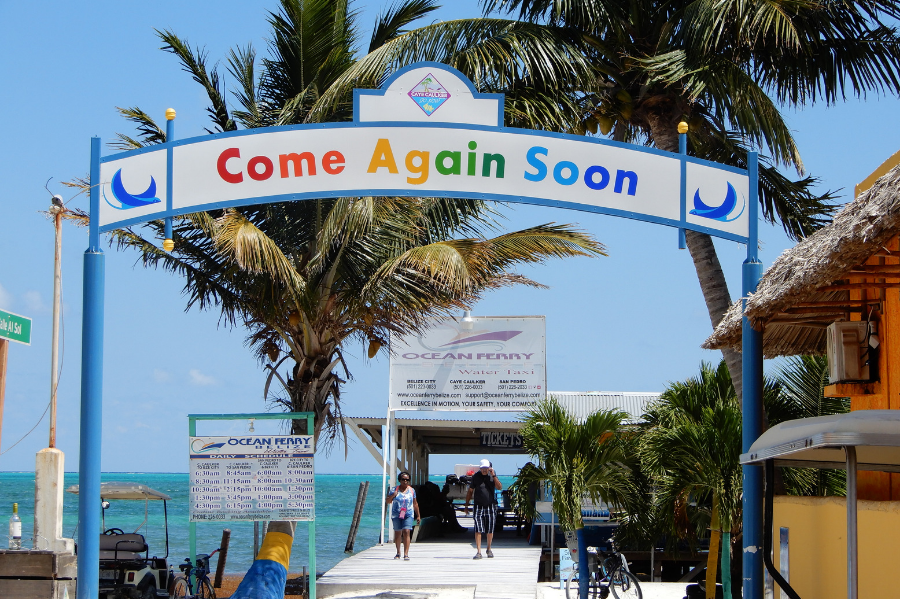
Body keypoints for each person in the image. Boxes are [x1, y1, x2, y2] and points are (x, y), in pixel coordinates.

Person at [464, 459, 502, 559]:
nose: (484, 470)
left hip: (490, 505)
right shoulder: (476, 477)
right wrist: (467, 505)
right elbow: (470, 491)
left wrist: (493, 475)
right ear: (480, 468)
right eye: (482, 469)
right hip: (478, 505)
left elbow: (499, 487)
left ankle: (489, 549)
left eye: (486, 468)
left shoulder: (492, 476)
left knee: (490, 529)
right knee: (478, 529)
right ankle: (478, 551)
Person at [385, 471, 420, 560]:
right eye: (403, 479)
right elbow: (388, 501)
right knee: (398, 533)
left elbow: (415, 503)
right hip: (396, 514)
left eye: (407, 480)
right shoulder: (394, 490)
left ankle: (406, 553)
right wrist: (393, 495)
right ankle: (398, 552)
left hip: (408, 513)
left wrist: (418, 515)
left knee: (407, 531)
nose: (405, 481)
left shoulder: (412, 490)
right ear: (400, 480)